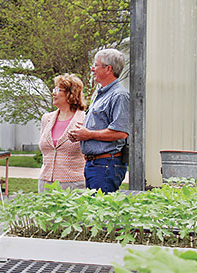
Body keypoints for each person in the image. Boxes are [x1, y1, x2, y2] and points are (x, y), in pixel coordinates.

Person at [69, 48, 129, 193]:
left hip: (106, 165)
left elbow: (121, 133)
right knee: (94, 210)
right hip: (95, 164)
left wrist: (88, 134)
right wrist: (80, 133)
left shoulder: (119, 95)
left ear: (108, 69)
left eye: (95, 65)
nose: (92, 69)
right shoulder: (100, 94)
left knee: (101, 211)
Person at [38, 73, 87, 192]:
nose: (53, 93)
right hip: (45, 183)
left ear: (71, 93)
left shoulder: (85, 119)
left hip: (73, 184)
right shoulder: (46, 119)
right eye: (54, 89)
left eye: (58, 89)